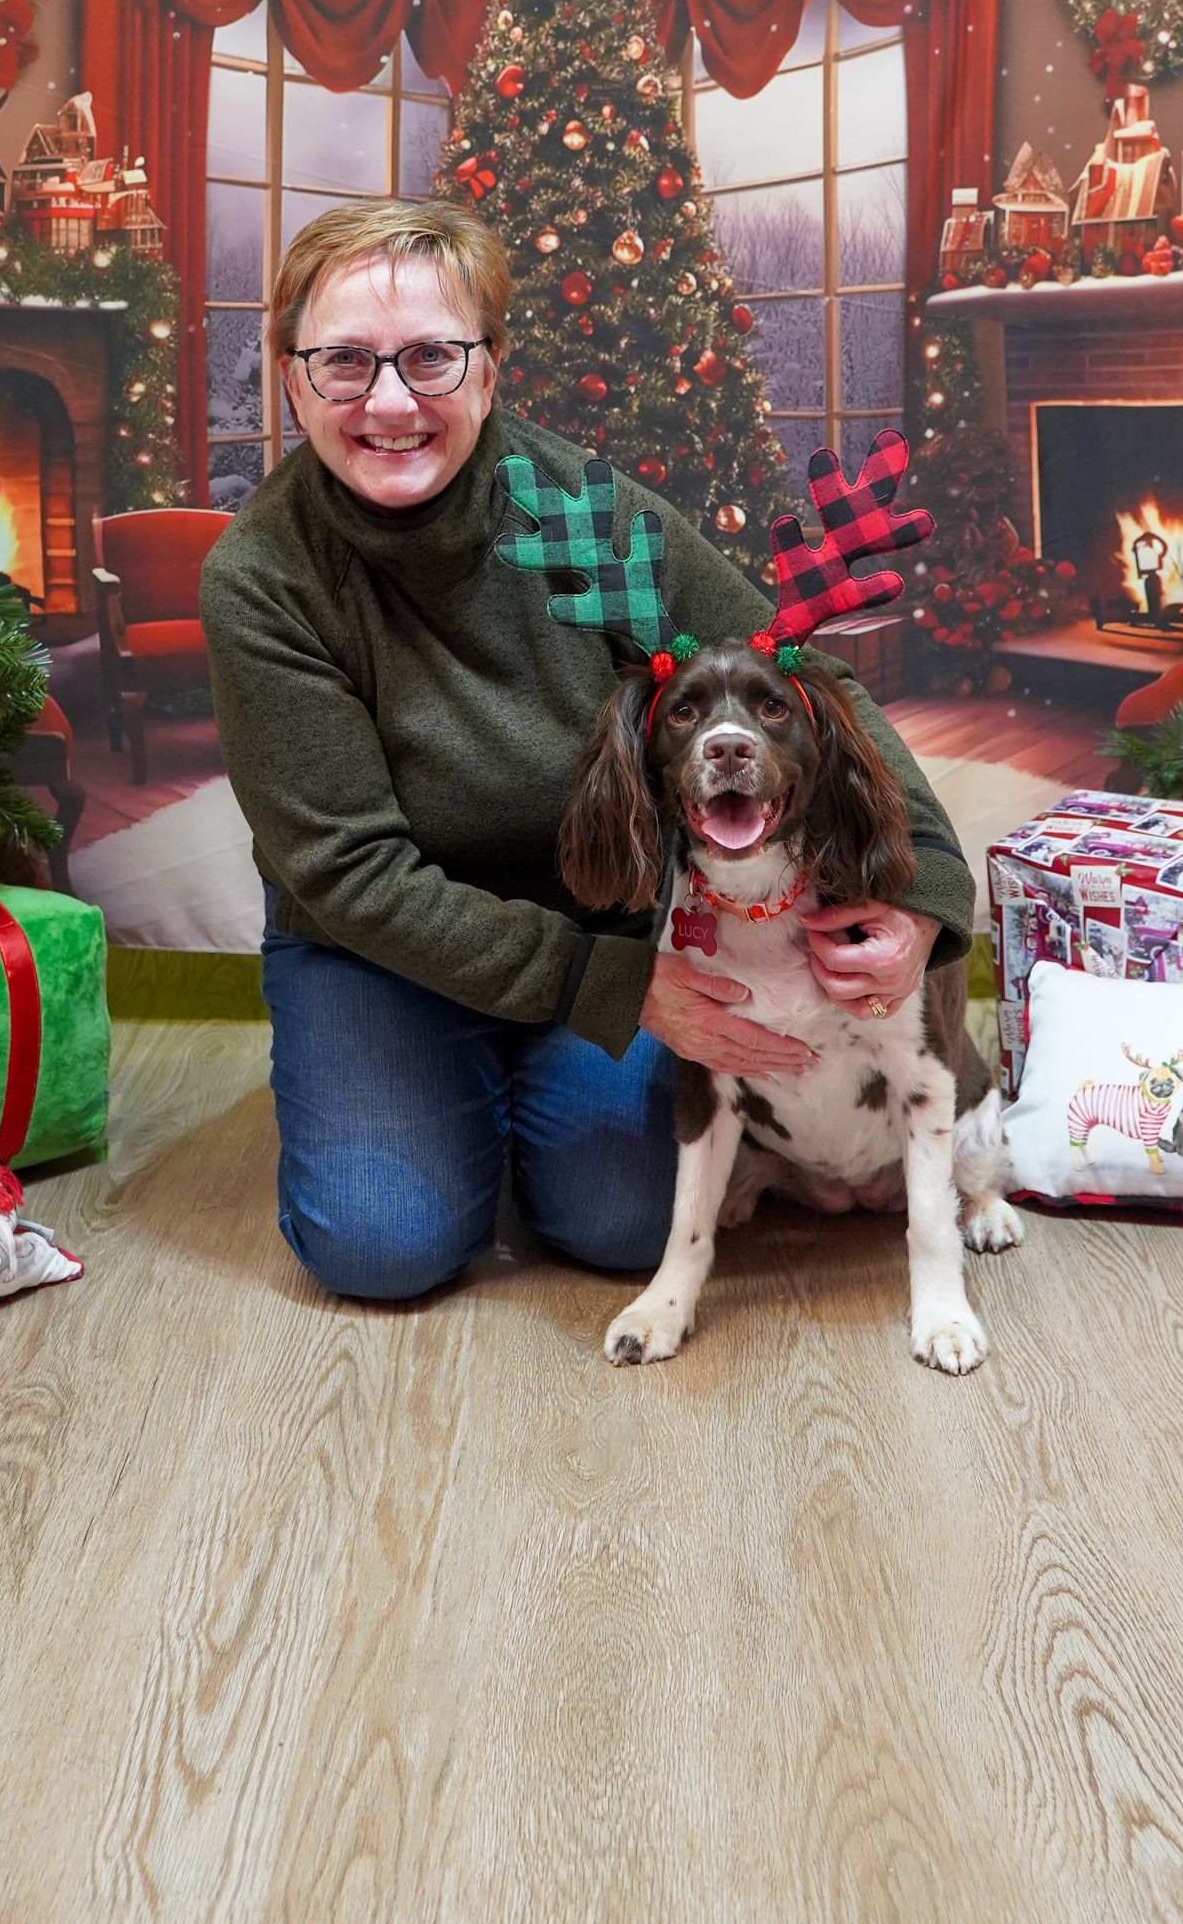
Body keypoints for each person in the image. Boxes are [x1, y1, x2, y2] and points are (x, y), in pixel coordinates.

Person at [201, 198, 974, 1301]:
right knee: (385, 1245)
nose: (388, 401)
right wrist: (601, 989)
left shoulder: (580, 518)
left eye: (430, 357)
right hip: (378, 952)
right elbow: (351, 874)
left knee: (619, 1222)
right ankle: (441, 1100)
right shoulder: (265, 579)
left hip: (596, 918)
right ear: (291, 377)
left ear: (490, 367)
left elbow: (803, 676)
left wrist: (929, 898)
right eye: (344, 363)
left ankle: (522, 1108)